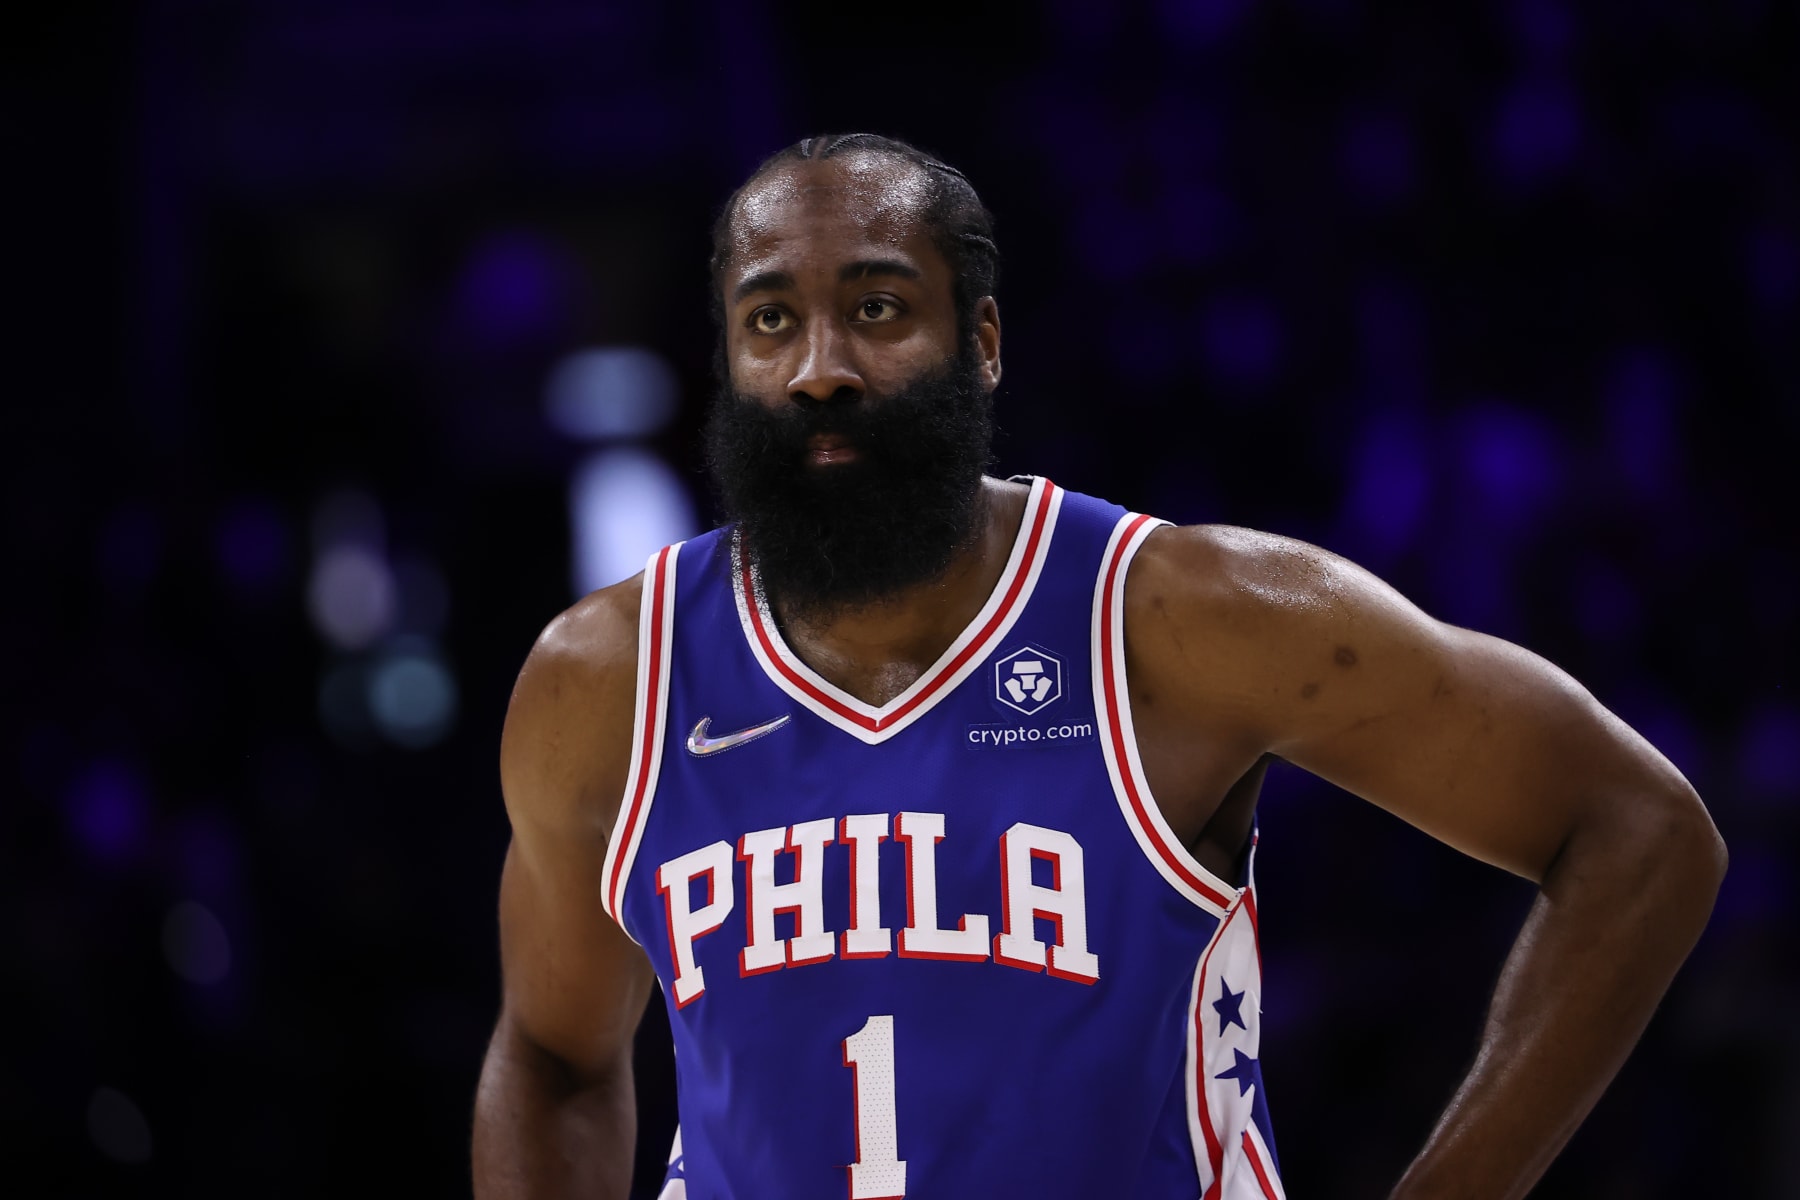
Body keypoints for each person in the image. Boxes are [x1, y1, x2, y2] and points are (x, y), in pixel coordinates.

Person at [471, 133, 1726, 1199]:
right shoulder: (608, 682)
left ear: (985, 343)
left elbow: (1638, 831)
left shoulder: (1180, 615)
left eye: (877, 308)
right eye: (770, 321)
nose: (821, 369)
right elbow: (553, 1057)